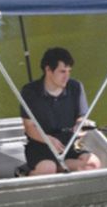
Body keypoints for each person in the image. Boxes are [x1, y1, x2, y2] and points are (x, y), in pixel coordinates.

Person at [15, 47, 101, 176]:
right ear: (48, 70)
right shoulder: (29, 91)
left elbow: (81, 118)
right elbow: (29, 128)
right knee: (48, 169)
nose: (67, 76)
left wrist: (79, 126)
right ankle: (25, 173)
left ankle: (59, 168)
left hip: (67, 144)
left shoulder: (76, 87)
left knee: (93, 164)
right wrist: (48, 140)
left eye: (69, 71)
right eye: (62, 71)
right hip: (40, 145)